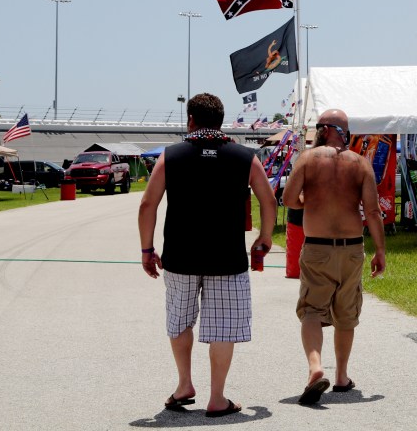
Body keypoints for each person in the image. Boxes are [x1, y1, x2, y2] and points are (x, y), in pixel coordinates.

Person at [138, 92, 277, 417]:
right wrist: (265, 238)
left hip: (180, 257)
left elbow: (148, 204)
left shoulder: (170, 156)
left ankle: (185, 384)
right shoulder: (244, 156)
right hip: (226, 258)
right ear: (221, 121)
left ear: (190, 120)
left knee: (180, 322)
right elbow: (268, 200)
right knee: (223, 328)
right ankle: (217, 398)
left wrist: (147, 248)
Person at [283, 109, 386, 406]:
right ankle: (341, 376)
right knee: (346, 314)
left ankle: (316, 367)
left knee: (312, 311)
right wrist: (380, 250)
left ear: (324, 130)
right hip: (352, 248)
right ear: (342, 132)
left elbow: (289, 199)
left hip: (317, 247)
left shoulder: (307, 159)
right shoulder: (361, 164)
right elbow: (373, 211)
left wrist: (309, 199)